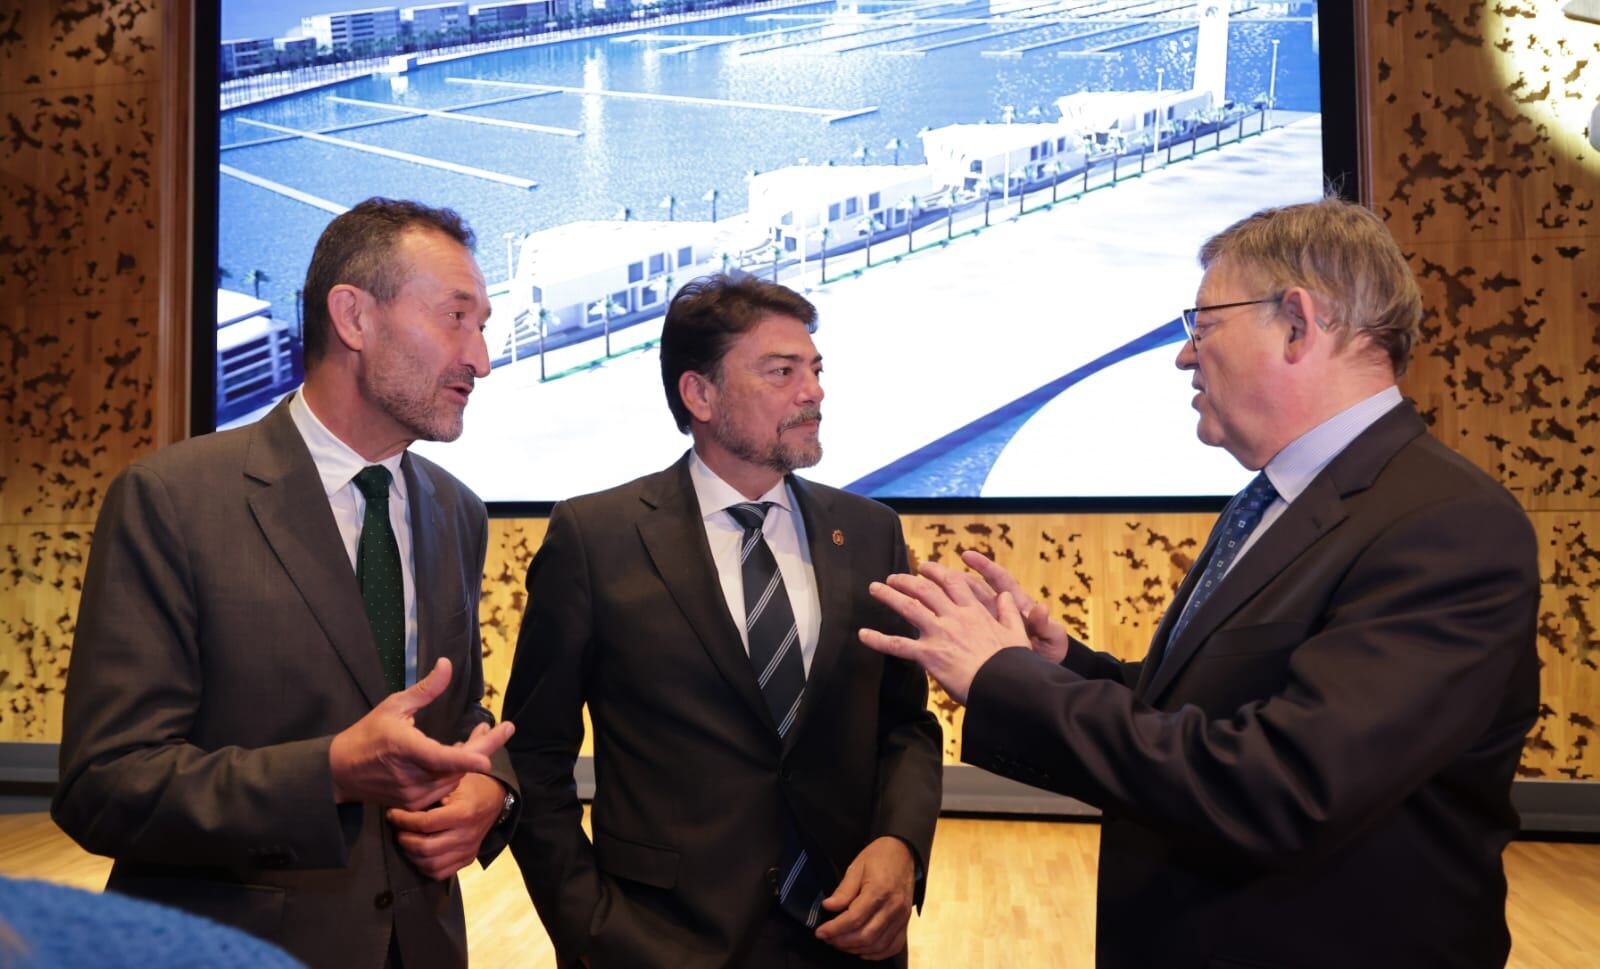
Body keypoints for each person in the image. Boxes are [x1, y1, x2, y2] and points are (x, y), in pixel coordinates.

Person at [858, 198, 1541, 968]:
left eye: (1204, 325)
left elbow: (1284, 787)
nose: (1185, 355)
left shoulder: (1445, 525)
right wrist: (1063, 666)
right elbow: (1211, 713)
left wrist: (1004, 679)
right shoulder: (1278, 501)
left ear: (1296, 323)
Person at [52, 198, 519, 969]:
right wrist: (328, 772)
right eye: (456, 319)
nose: (481, 357)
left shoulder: (456, 511)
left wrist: (490, 792)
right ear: (353, 317)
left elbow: (455, 708)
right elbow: (103, 784)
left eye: (483, 324)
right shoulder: (173, 501)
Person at [503, 274, 942, 968]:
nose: (814, 391)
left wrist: (901, 845)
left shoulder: (870, 533)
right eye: (782, 371)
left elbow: (906, 725)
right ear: (700, 395)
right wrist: (591, 926)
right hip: (655, 945)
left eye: (816, 369)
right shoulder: (595, 538)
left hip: (846, 940)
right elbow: (532, 755)